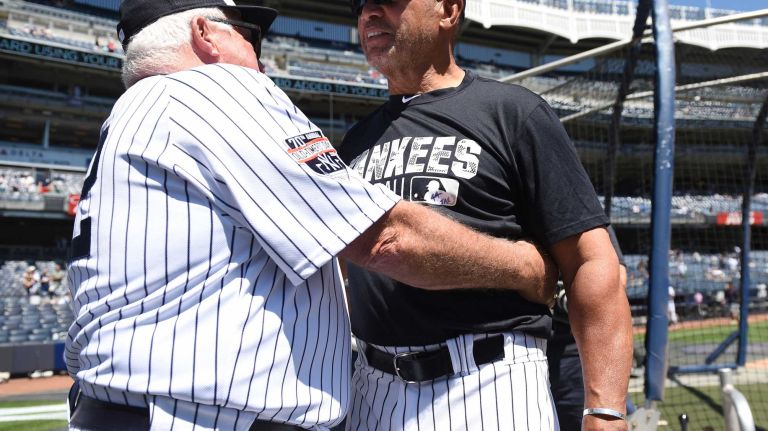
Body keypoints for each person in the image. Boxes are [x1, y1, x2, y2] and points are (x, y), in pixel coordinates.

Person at [65, 1, 557, 430]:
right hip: (199, 416)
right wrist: (527, 269)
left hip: (118, 406)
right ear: (205, 34)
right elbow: (388, 238)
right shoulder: (214, 88)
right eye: (248, 34)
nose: (259, 56)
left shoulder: (127, 120)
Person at [340, 0, 633, 430]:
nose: (369, 12)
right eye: (359, 3)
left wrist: (605, 411)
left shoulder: (513, 113)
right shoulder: (353, 142)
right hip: (373, 387)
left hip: (487, 381)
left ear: (448, 10)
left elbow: (592, 261)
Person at [549, 228, 630, 431]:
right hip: (516, 351)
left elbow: (617, 277)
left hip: (573, 356)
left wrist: (569, 300)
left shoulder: (572, 202)